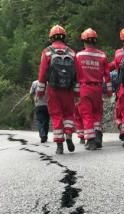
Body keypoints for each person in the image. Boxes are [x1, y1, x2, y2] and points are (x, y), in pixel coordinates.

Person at [36, 25, 79, 155]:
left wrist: (40, 92)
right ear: (64, 37)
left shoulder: (47, 52)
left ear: (51, 38)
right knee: (69, 115)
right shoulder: (71, 52)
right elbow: (77, 74)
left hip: (53, 90)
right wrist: (77, 92)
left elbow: (42, 74)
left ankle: (59, 145)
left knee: (56, 116)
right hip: (68, 90)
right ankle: (69, 137)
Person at [75, 28, 112, 151]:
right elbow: (107, 75)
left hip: (84, 88)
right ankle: (98, 136)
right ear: (95, 41)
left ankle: (90, 140)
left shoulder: (79, 56)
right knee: (97, 113)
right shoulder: (102, 55)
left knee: (86, 114)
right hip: (98, 88)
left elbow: (75, 75)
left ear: (84, 41)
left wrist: (75, 92)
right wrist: (109, 90)